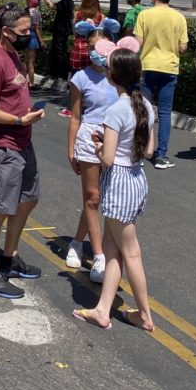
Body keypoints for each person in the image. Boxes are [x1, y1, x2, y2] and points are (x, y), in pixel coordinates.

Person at [72, 48, 157, 332]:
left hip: (118, 181)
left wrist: (98, 145)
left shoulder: (116, 110)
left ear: (112, 76)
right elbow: (150, 150)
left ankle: (145, 315)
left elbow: (107, 159)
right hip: (136, 178)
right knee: (112, 250)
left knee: (130, 252)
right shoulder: (146, 105)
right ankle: (102, 310)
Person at [0, 5, 46, 299]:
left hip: (22, 142)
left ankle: (9, 257)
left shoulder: (11, 52)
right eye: (24, 31)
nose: (29, 36)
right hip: (1, 146)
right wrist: (17, 119)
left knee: (28, 199)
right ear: (5, 32)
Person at [64, 33, 133, 283]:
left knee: (103, 199)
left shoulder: (118, 77)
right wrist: (71, 149)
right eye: (91, 47)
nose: (96, 51)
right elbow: (75, 116)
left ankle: (76, 242)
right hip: (88, 140)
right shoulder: (80, 78)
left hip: (115, 141)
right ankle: (99, 254)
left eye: (100, 47)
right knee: (93, 198)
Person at [133, 0, 188, 170]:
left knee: (143, 110)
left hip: (147, 66)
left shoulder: (144, 15)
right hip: (169, 68)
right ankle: (161, 155)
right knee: (164, 112)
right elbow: (183, 46)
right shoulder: (179, 18)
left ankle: (139, 150)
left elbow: (137, 43)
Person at [70, 0, 104, 73]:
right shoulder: (101, 16)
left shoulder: (77, 14)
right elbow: (101, 34)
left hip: (79, 48)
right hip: (93, 49)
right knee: (92, 74)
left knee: (76, 73)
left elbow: (74, 32)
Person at [48, 0, 74, 81]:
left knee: (59, 51)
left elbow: (53, 7)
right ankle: (58, 73)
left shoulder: (66, 1)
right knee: (59, 50)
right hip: (64, 29)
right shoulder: (69, 1)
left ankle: (60, 73)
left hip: (61, 30)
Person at [24, 0, 46, 86]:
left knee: (26, 60)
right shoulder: (35, 12)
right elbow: (36, 28)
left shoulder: (24, 10)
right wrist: (41, 41)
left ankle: (23, 81)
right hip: (33, 36)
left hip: (25, 35)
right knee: (31, 62)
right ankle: (31, 83)